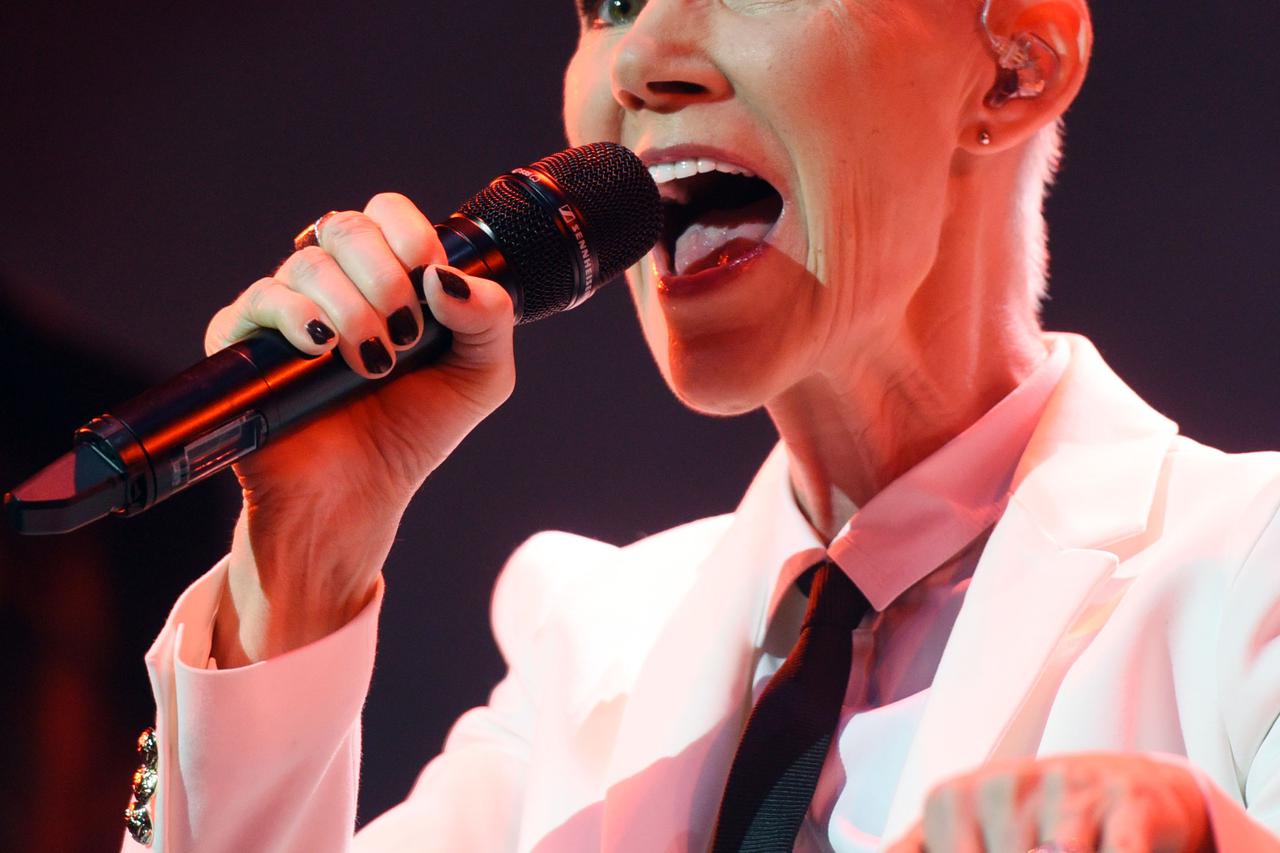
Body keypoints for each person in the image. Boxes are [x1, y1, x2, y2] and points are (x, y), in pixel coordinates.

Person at [119, 0, 1279, 850]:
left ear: (1013, 69)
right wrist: (306, 554)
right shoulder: (588, 652)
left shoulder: (1246, 570)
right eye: (606, 4)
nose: (644, 63)